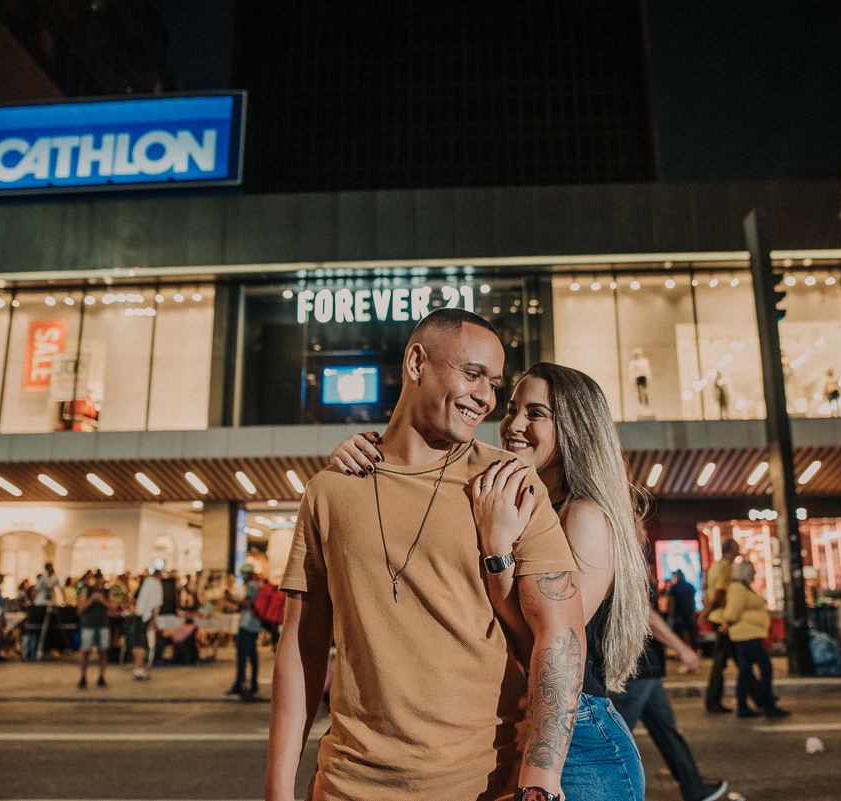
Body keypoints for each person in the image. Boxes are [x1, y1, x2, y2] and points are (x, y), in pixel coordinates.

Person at [269, 309, 583, 801]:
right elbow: (301, 644)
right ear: (417, 362)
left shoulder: (507, 484)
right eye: (473, 373)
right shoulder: (330, 490)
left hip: (482, 786)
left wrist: (540, 781)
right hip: (347, 786)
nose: (486, 396)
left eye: (494, 383)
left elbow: (560, 632)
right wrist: (277, 789)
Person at [332, 359, 654, 800]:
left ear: (576, 429)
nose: (514, 424)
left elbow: (544, 640)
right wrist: (365, 453)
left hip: (574, 742)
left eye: (536, 414)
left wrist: (497, 550)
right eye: (512, 409)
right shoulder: (503, 492)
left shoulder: (584, 516)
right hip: (503, 729)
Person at [612, 556, 729, 801]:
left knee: (665, 730)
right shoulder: (621, 555)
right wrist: (682, 648)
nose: (643, 524)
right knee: (613, 738)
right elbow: (645, 613)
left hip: (647, 665)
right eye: (639, 519)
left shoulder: (627, 556)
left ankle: (694, 788)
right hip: (636, 663)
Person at [701, 538, 761, 714]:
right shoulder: (726, 567)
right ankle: (713, 700)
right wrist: (708, 611)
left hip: (718, 617)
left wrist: (706, 611)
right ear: (731, 550)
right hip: (724, 620)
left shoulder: (715, 566)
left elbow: (709, 590)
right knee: (724, 661)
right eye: (737, 548)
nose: (739, 551)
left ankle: (759, 697)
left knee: (739, 659)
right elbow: (719, 592)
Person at [721, 561, 789, 718]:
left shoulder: (743, 587)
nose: (754, 574)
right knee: (765, 667)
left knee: (745, 672)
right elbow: (732, 612)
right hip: (747, 635)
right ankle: (768, 706)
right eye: (752, 571)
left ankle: (744, 707)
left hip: (747, 634)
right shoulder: (738, 587)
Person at [224, 565, 262, 700]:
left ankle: (238, 687)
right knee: (253, 657)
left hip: (247, 625)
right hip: (255, 625)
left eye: (243, 575)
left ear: (248, 575)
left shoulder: (251, 586)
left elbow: (247, 603)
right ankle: (253, 688)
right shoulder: (258, 585)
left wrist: (231, 599)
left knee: (242, 657)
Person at [77, 571, 113, 689]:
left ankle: (101, 676)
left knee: (102, 652)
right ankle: (83, 677)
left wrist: (103, 601)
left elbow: (113, 607)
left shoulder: (107, 591)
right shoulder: (87, 590)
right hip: (89, 624)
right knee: (86, 652)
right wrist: (92, 599)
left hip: (103, 624)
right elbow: (80, 608)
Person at [127, 568, 163, 681]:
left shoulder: (146, 582)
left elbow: (134, 599)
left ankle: (137, 668)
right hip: (145, 617)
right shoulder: (156, 585)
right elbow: (155, 605)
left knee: (137, 643)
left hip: (138, 615)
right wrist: (153, 621)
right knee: (143, 644)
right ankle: (138, 670)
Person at [668, 570, 698, 648]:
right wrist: (693, 612)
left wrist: (671, 616)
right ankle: (692, 649)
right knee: (691, 633)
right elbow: (693, 601)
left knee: (681, 633)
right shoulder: (690, 586)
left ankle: (684, 650)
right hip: (689, 612)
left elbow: (672, 602)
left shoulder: (674, 587)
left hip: (678, 613)